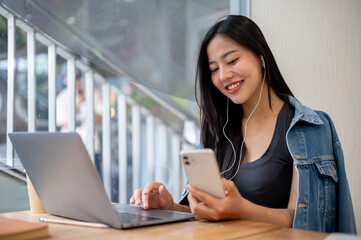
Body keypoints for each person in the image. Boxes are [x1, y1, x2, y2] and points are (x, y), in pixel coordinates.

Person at [130, 15, 357, 233]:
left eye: (232, 61)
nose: (224, 75)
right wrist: (169, 207)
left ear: (260, 56)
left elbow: (302, 220)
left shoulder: (310, 128)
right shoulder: (218, 132)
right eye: (214, 69)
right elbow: (207, 214)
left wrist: (241, 211)